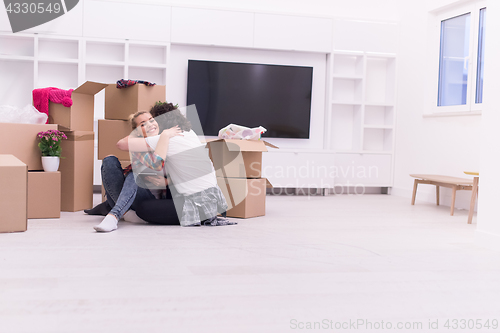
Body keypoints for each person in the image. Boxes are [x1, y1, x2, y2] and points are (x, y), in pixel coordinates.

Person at [124, 102, 232, 227]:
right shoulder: (190, 133)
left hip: (197, 205)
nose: (151, 125)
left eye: (153, 120)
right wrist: (166, 182)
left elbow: (122, 144)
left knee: (143, 208)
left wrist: (161, 134)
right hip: (210, 201)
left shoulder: (167, 137)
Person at [87, 110, 182, 232]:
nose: (149, 124)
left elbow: (178, 171)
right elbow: (122, 144)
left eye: (151, 120)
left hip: (151, 202)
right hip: (130, 193)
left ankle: (115, 214)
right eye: (142, 124)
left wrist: (167, 181)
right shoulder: (139, 145)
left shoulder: (168, 142)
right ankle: (124, 213)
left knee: (135, 174)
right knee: (109, 160)